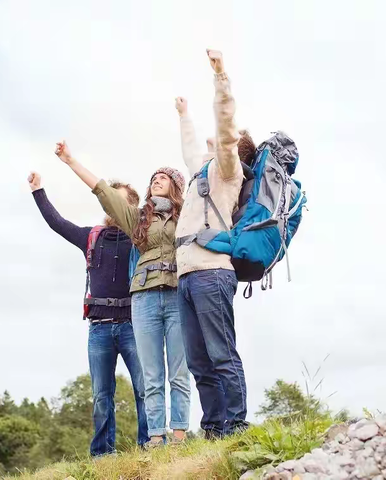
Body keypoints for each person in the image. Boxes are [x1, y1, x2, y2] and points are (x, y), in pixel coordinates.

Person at [53, 143, 191, 447]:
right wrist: (70, 161)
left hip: (176, 295)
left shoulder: (188, 214)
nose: (156, 179)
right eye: (153, 177)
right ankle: (156, 438)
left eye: (164, 177)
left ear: (176, 187)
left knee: (179, 371)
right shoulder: (138, 219)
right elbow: (103, 191)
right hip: (143, 299)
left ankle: (179, 436)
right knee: (151, 375)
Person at [27, 171, 149, 456]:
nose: (109, 205)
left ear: (131, 206)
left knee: (145, 389)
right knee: (101, 396)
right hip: (100, 329)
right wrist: (38, 191)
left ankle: (151, 447)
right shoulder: (92, 237)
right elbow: (58, 223)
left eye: (116, 200)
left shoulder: (141, 239)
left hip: (134, 325)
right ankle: (103, 455)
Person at [174, 49, 253, 438]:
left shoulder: (227, 168)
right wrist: (184, 116)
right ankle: (213, 429)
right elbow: (191, 148)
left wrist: (221, 76)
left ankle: (236, 425)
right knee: (199, 362)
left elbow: (225, 129)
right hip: (186, 276)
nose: (212, 141)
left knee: (221, 355)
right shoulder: (199, 171)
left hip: (211, 273)